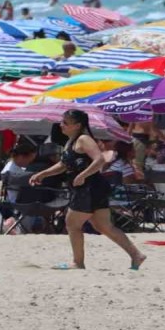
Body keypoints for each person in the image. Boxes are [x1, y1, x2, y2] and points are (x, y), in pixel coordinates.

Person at [29, 109, 146, 270]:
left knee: (72, 223)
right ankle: (136, 255)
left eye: (65, 123)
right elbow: (63, 165)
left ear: (77, 125)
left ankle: (78, 262)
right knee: (103, 226)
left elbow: (99, 160)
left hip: (89, 188)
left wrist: (82, 175)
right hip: (91, 188)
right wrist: (42, 174)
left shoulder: (84, 139)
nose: (61, 125)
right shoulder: (71, 141)